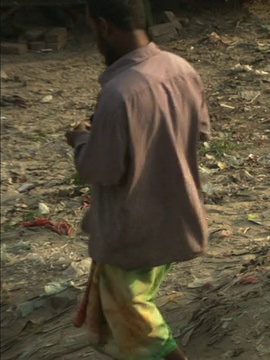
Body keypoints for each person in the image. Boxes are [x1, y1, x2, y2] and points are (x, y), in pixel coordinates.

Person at [64, 0, 210, 359]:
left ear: (102, 26)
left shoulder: (119, 93)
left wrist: (81, 139)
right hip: (176, 216)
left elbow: (101, 170)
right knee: (135, 312)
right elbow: (200, 132)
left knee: (139, 324)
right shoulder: (181, 68)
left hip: (132, 230)